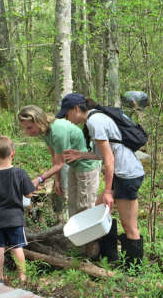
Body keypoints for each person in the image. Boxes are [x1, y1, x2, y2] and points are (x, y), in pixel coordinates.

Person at [60, 93, 145, 268]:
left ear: (76, 109)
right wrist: (82, 154)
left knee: (130, 226)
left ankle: (134, 270)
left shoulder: (94, 121)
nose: (67, 119)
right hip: (122, 174)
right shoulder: (96, 118)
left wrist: (107, 191)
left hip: (126, 175)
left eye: (66, 114)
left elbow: (109, 159)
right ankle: (109, 258)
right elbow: (107, 151)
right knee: (100, 210)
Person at [17, 105, 101, 256]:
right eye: (26, 129)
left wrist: (39, 179)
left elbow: (60, 164)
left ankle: (92, 251)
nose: (28, 132)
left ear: (39, 120)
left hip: (87, 167)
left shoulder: (58, 131)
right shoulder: (45, 132)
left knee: (85, 206)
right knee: (73, 207)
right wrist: (57, 180)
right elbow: (54, 157)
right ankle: (79, 248)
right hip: (74, 166)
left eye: (30, 128)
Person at [0, 136, 35, 283]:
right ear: (13, 153)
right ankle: (22, 277)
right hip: (15, 218)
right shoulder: (20, 173)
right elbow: (29, 194)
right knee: (17, 247)